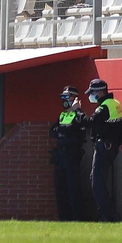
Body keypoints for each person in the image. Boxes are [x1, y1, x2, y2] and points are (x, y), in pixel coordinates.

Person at [83, 77, 122, 222]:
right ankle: (110, 214)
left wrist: (78, 111)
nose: (90, 96)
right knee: (100, 180)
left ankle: (106, 215)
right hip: (112, 146)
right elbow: (120, 125)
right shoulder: (115, 103)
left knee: (97, 182)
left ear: (99, 93)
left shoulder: (103, 107)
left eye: (92, 93)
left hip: (104, 147)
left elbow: (89, 123)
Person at [48, 86, 87, 221]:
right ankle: (63, 218)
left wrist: (77, 109)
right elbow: (53, 131)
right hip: (61, 155)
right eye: (63, 97)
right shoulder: (63, 115)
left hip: (72, 155)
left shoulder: (79, 115)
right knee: (60, 188)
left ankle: (78, 218)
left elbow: (82, 127)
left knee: (73, 188)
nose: (64, 100)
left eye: (67, 97)